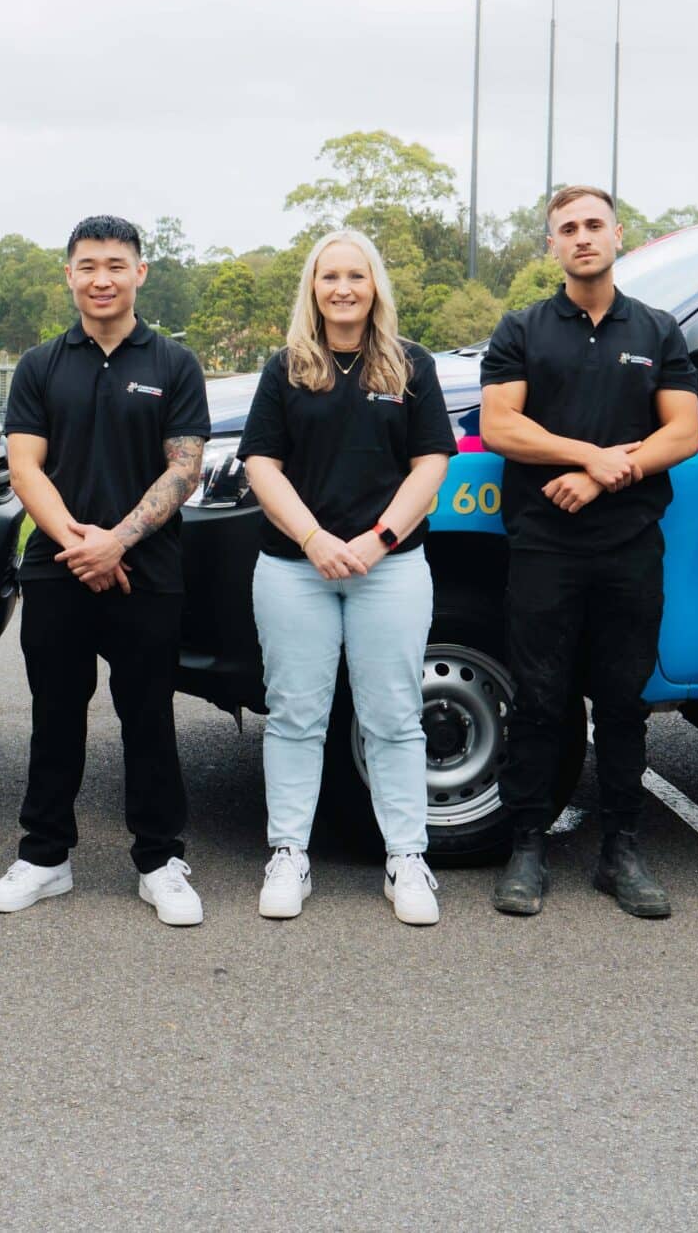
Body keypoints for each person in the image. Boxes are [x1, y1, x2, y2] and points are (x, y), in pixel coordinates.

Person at [478, 186, 698, 920]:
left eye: (593, 225)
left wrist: (613, 473)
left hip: (630, 542)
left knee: (624, 702)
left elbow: (682, 433)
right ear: (551, 245)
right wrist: (588, 456)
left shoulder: (659, 328)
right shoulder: (523, 329)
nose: (581, 237)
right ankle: (528, 845)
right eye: (566, 228)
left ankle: (622, 849)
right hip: (544, 543)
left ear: (618, 234)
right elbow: (502, 426)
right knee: (539, 699)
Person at [0, 215, 211, 926]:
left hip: (150, 569)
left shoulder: (174, 364)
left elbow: (186, 466)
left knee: (148, 716)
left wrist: (119, 541)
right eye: (87, 264)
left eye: (115, 264)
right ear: (69, 274)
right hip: (57, 569)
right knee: (55, 716)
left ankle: (159, 860)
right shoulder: (40, 364)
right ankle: (45, 856)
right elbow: (26, 465)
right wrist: (82, 544)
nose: (101, 277)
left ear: (141, 272)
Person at [238, 228, 453, 926]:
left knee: (393, 715)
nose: (342, 288)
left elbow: (430, 464)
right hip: (294, 568)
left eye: (355, 276)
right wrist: (315, 537)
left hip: (388, 569)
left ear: (374, 286)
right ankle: (289, 854)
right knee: (296, 715)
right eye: (330, 276)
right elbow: (261, 464)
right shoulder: (286, 368)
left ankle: (407, 859)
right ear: (313, 287)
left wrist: (377, 538)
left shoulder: (410, 366)